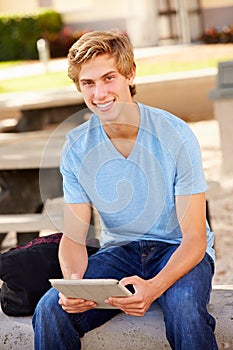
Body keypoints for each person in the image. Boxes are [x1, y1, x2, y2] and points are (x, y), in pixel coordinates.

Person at [32, 29, 218, 350]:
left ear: (130, 74)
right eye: (88, 83)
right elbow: (74, 236)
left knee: (185, 310)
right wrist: (75, 286)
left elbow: (194, 240)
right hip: (120, 253)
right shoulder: (77, 146)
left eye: (108, 78)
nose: (99, 93)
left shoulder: (175, 134)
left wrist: (155, 287)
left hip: (178, 251)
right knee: (50, 310)